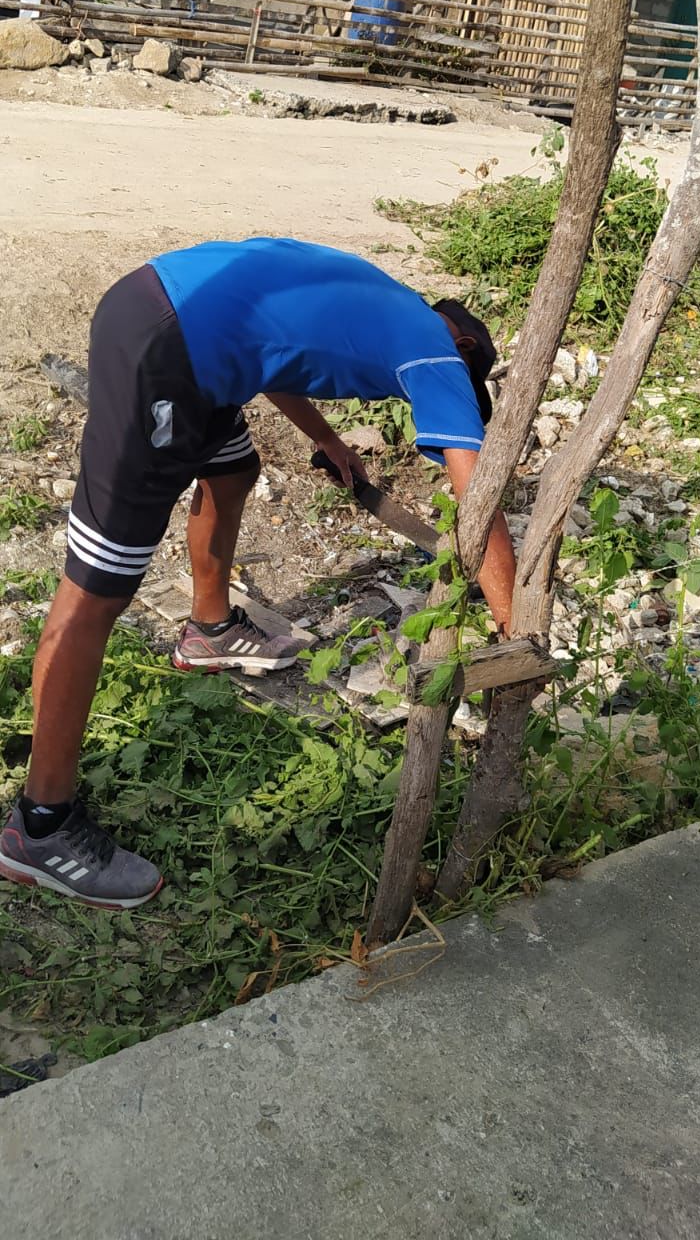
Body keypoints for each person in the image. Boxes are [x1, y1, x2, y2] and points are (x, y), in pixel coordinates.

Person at [0, 238, 515, 910]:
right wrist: (513, 627)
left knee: (235, 468)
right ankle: (40, 826)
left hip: (185, 323)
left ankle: (209, 630)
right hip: (168, 350)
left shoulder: (380, 300)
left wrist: (324, 438)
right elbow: (479, 496)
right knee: (95, 591)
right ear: (464, 346)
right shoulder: (436, 349)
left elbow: (272, 347)